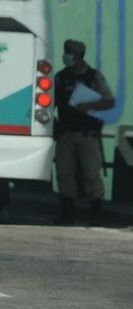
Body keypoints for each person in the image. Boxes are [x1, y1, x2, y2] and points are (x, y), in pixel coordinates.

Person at [53, 39, 115, 225]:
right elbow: (50, 101)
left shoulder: (93, 77)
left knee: (91, 173)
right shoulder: (60, 77)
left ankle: (95, 214)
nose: (66, 56)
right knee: (64, 173)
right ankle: (67, 213)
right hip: (65, 133)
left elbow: (109, 101)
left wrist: (89, 106)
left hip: (87, 134)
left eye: (70, 53)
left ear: (79, 56)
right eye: (66, 52)